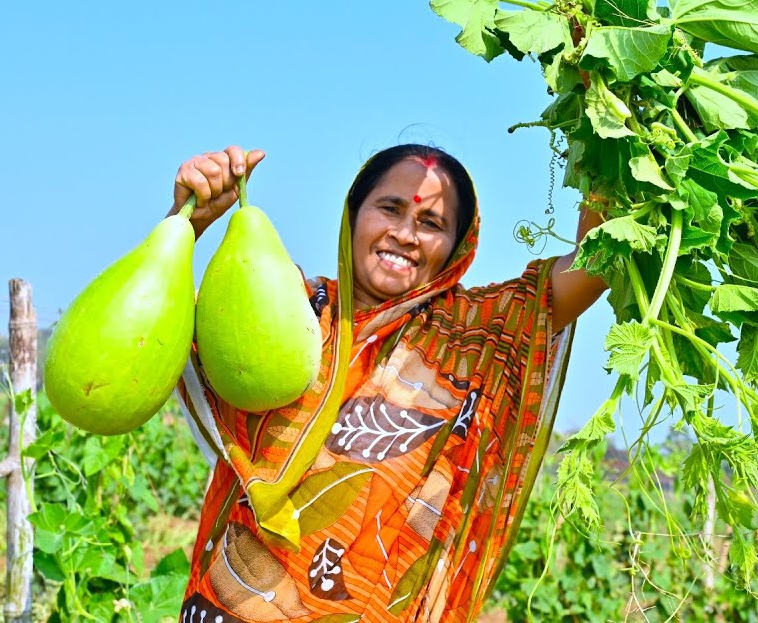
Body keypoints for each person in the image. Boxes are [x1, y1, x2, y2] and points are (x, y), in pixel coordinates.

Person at [169, 143, 606, 623]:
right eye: (390, 209)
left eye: (432, 223)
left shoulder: (481, 334)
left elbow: (598, 259)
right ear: (354, 214)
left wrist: (607, 113)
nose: (405, 234)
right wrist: (186, 223)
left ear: (457, 247)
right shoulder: (290, 308)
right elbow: (153, 340)